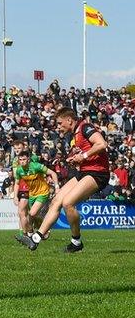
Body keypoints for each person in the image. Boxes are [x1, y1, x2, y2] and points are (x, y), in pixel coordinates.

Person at [23, 107, 110, 252]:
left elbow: (101, 144)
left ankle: (76, 242)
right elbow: (85, 154)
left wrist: (83, 156)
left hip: (98, 173)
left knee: (68, 203)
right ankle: (36, 238)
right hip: (84, 172)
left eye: (59, 123)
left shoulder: (85, 127)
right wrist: (76, 159)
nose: (58, 127)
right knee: (57, 200)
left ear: (69, 120)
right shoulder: (74, 134)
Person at [12, 149, 58, 244]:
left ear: (28, 160)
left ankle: (36, 232)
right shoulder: (19, 170)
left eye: (24, 159)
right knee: (30, 216)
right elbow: (17, 183)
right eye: (20, 160)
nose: (22, 161)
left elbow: (53, 173)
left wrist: (57, 186)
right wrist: (15, 196)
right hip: (32, 194)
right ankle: (34, 233)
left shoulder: (36, 166)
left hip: (43, 192)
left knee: (32, 213)